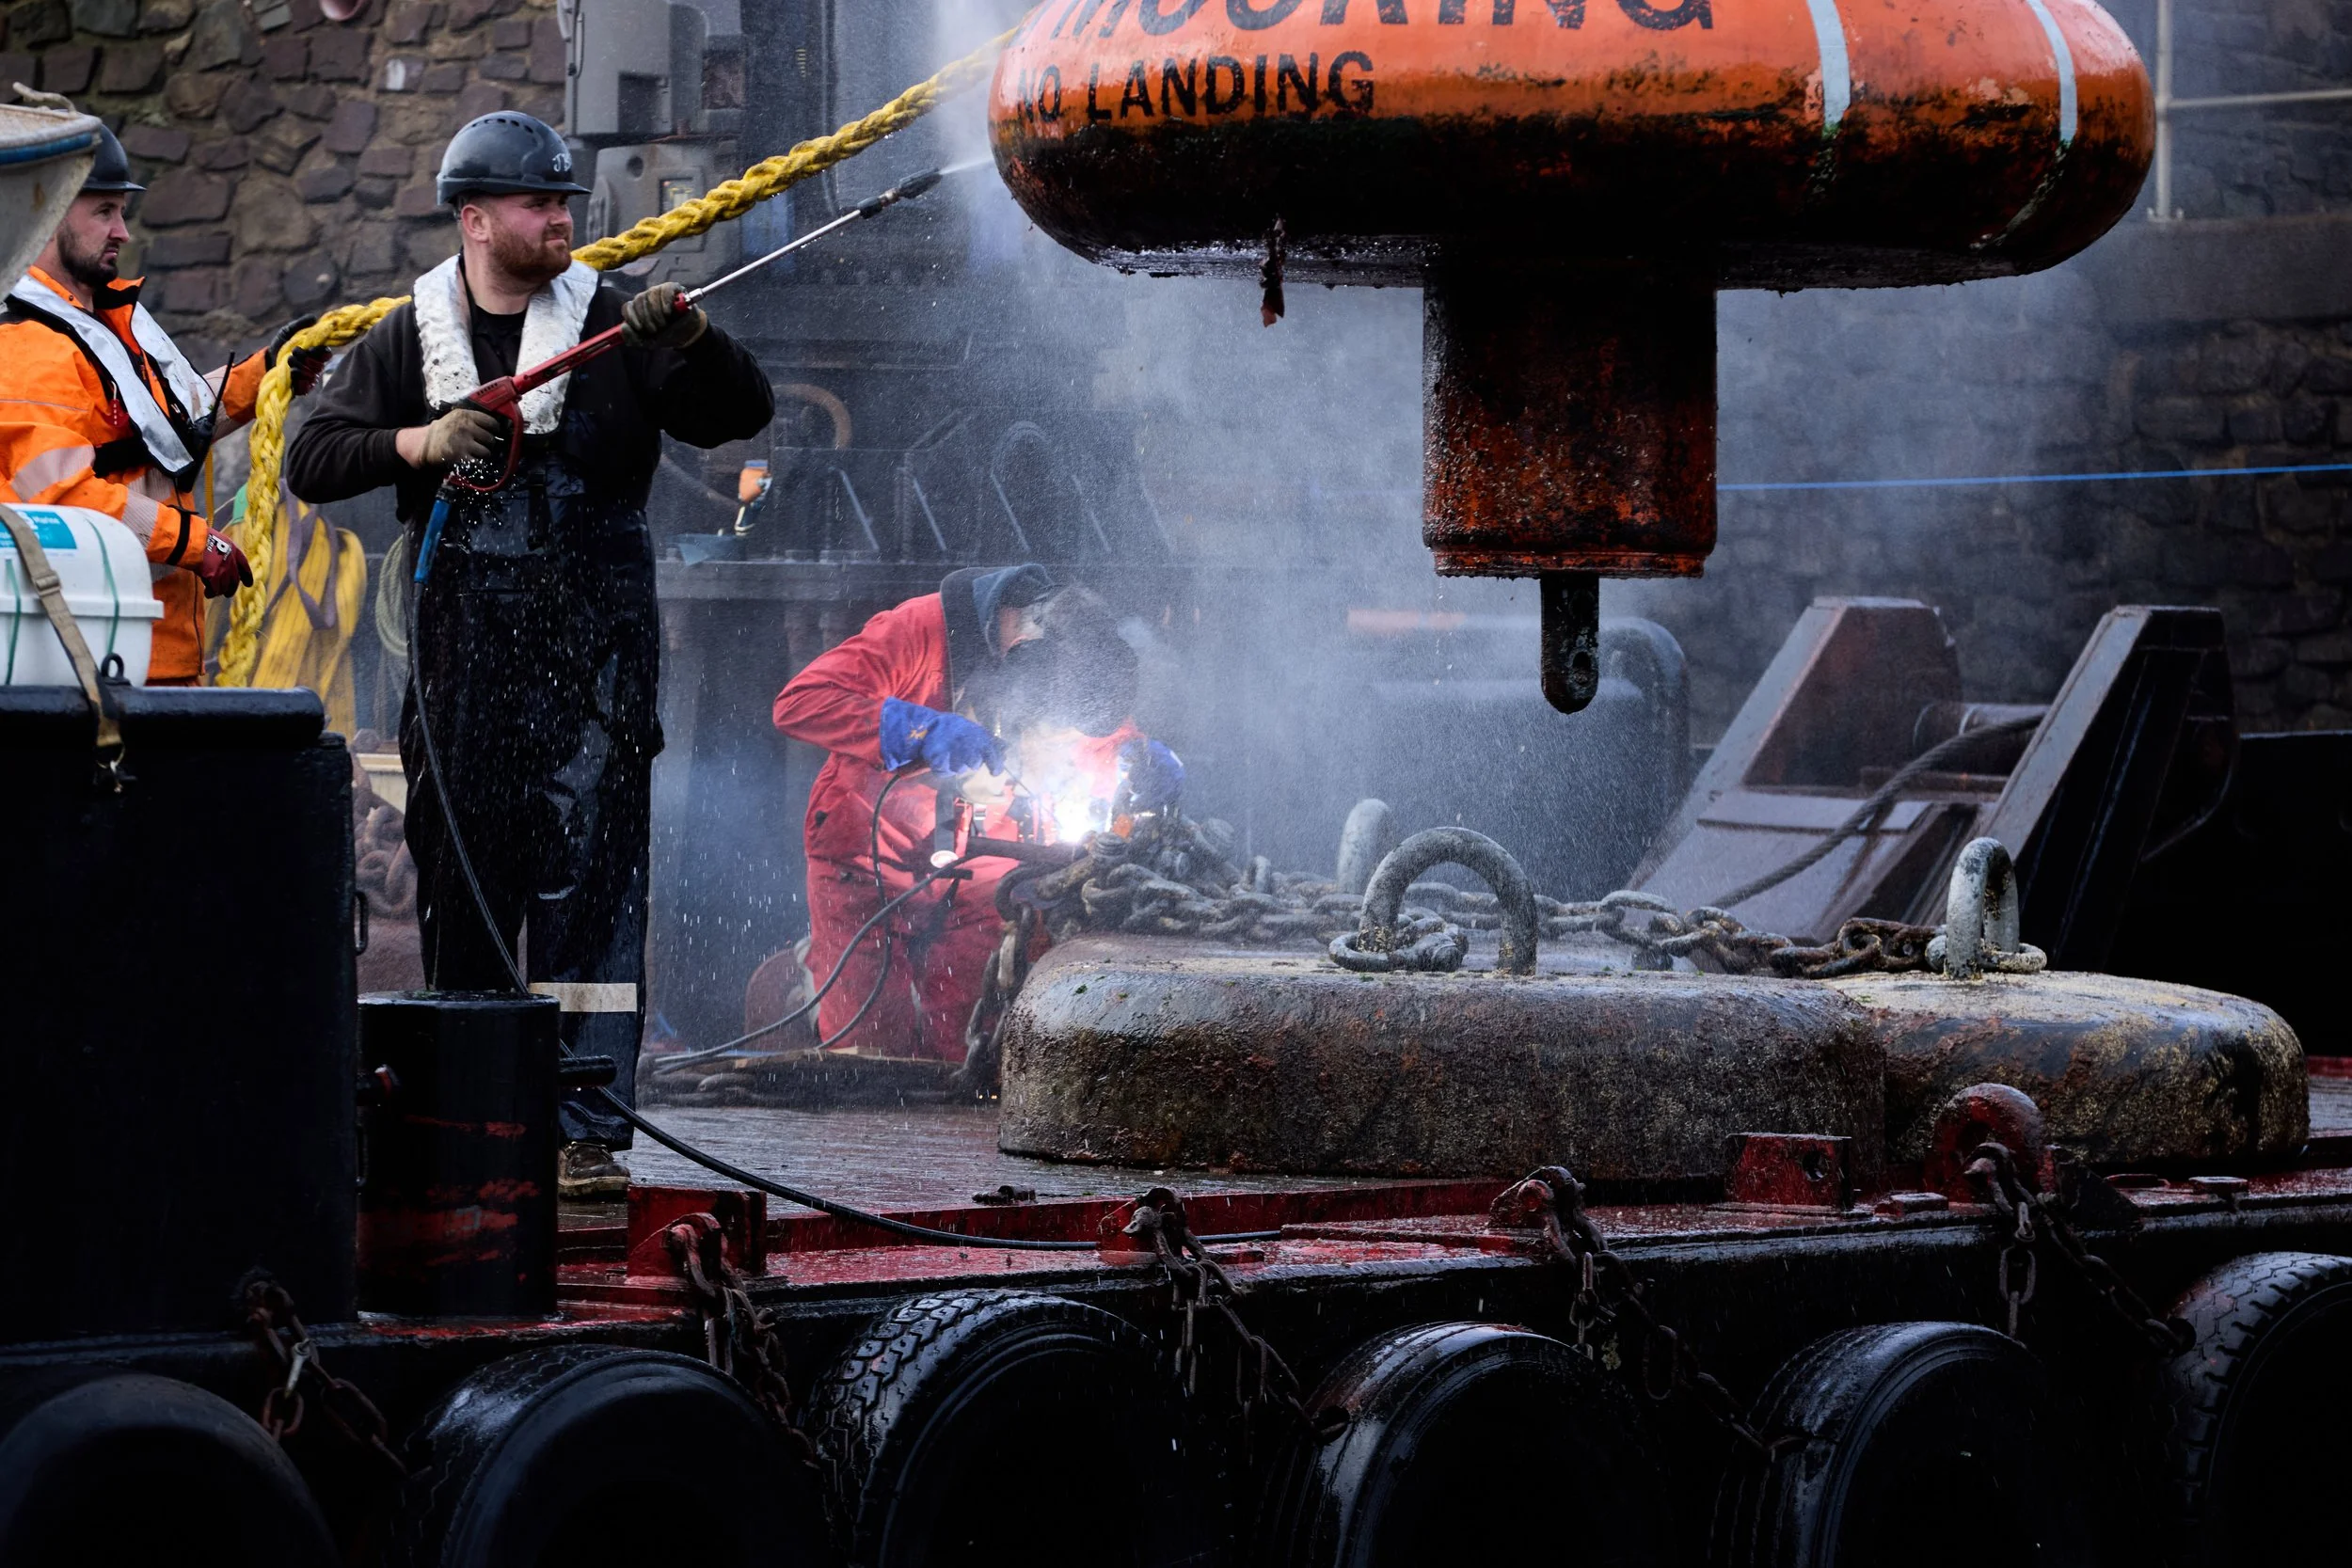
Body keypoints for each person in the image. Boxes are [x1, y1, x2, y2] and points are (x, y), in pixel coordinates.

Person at [285, 112, 774, 1199]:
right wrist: (416, 442)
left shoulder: (613, 319)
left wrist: (691, 340)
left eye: (564, 202)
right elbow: (311, 456)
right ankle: (469, 1115)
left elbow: (744, 410)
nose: (562, 217)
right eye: (538, 203)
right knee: (463, 876)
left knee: (593, 874)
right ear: (475, 218)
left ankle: (585, 1127)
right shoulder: (408, 340)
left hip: (596, 651)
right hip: (462, 649)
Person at [771, 564, 1180, 1062]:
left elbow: (1096, 739)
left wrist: (1137, 759)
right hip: (872, 854)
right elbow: (801, 703)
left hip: (989, 872)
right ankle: (816, 983)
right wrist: (921, 731)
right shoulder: (917, 630)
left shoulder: (1073, 660)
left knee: (974, 1046)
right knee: (872, 1053)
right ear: (1022, 658)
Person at [0, 121, 327, 683]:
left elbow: (168, 423)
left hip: (150, 648)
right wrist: (200, 544)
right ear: (48, 212)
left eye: (121, 212)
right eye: (104, 211)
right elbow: (62, 495)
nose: (122, 232)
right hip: (94, 658)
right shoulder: (27, 345)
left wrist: (267, 372)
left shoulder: (101, 323)